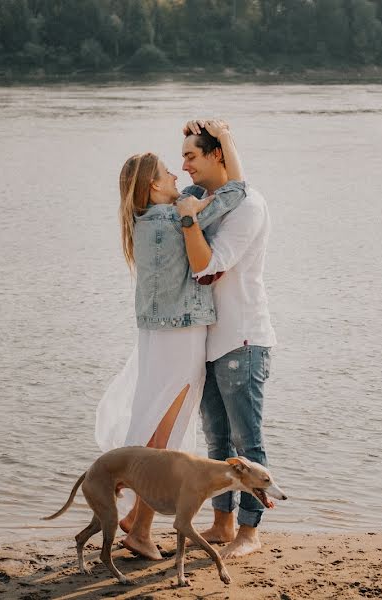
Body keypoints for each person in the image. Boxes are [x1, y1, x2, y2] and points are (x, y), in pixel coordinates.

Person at [94, 122, 248, 560]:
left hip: (159, 337)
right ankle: (136, 525)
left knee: (159, 425)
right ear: (154, 185)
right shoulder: (170, 218)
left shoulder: (142, 221)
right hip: (180, 337)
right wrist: (228, 144)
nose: (178, 176)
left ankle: (135, 520)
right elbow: (237, 194)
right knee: (165, 433)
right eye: (169, 171)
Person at [176, 119, 276, 559]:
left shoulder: (248, 205)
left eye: (191, 156)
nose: (183, 166)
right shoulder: (206, 202)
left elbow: (209, 267)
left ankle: (250, 533)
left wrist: (187, 220)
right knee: (216, 442)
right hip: (209, 342)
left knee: (246, 442)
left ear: (217, 155)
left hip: (243, 338)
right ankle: (222, 523)